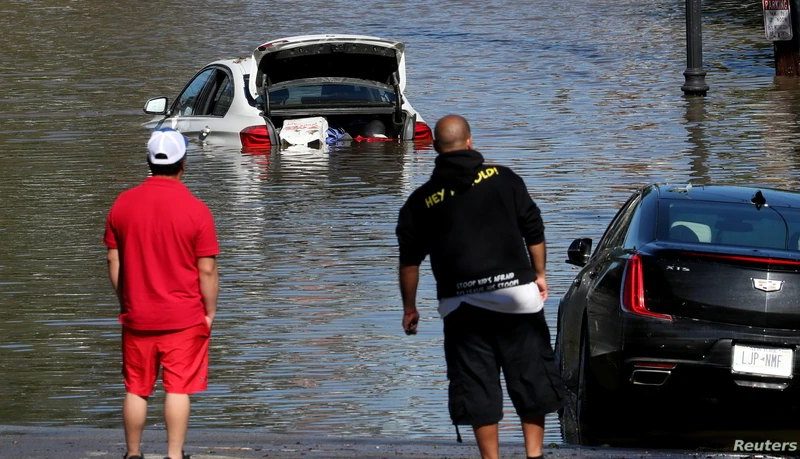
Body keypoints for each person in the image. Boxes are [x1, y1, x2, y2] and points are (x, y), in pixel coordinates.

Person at [396, 115, 564, 459]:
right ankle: (535, 455)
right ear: (470, 142)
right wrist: (541, 274)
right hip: (518, 299)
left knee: (477, 386)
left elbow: (410, 261)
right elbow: (534, 228)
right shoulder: (504, 179)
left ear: (436, 150)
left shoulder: (420, 201)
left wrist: (410, 308)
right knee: (531, 378)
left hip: (463, 308)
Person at [104, 129, 220, 459]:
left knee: (136, 389)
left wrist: (126, 298)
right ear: (183, 163)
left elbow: (113, 258)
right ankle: (174, 454)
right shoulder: (196, 210)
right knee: (178, 388)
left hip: (138, 314)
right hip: (183, 317)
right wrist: (209, 312)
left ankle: (133, 453)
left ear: (149, 162)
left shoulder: (123, 204)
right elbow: (207, 270)